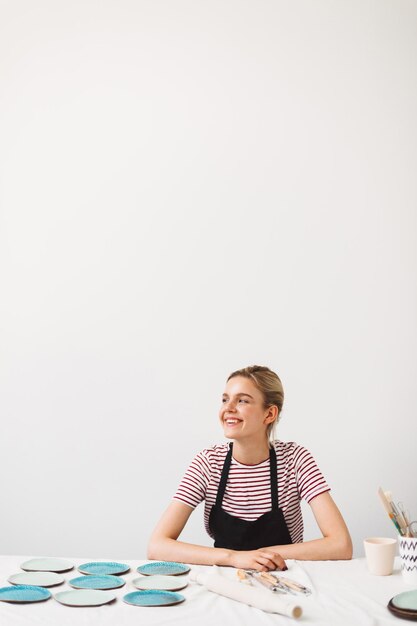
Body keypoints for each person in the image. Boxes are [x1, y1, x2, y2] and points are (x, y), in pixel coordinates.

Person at [148, 365, 352, 571]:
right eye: (225, 399)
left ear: (269, 414)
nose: (228, 408)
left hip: (285, 578)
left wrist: (259, 557)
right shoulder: (208, 463)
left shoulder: (295, 460)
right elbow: (157, 546)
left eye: (242, 400)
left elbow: (341, 544)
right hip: (226, 580)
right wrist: (235, 558)